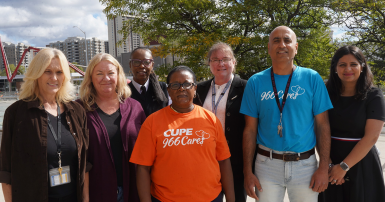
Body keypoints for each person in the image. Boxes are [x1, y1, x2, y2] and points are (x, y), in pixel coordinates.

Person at [240, 26, 333, 202]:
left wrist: (323, 167)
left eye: (287, 40)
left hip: (305, 165)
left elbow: (323, 125)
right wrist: (248, 172)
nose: (282, 44)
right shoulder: (255, 82)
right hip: (266, 165)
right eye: (276, 40)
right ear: (269, 48)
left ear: (296, 47)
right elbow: (250, 130)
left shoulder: (312, 78)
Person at [130, 66, 236, 202]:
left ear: (195, 88)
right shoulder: (152, 122)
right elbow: (142, 168)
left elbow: (224, 161)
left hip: (210, 198)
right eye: (175, 85)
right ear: (168, 90)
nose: (181, 88)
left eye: (187, 84)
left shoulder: (211, 119)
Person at [0, 48, 89, 202]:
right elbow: (6, 171)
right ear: (36, 74)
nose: (54, 78)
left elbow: (85, 165)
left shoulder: (76, 111)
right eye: (47, 71)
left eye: (59, 72)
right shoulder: (16, 113)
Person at [318, 45, 385, 202]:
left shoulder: (374, 95)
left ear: (362, 66)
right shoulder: (325, 93)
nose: (348, 69)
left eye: (353, 64)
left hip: (362, 163)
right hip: (330, 161)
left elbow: (372, 137)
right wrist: (328, 165)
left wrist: (343, 167)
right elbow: (318, 129)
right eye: (342, 64)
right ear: (335, 68)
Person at [79, 53, 146, 202]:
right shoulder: (78, 109)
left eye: (111, 73)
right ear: (90, 77)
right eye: (99, 73)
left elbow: (146, 150)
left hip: (132, 190)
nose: (106, 78)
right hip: (96, 192)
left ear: (118, 76)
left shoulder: (135, 108)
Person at [193, 42, 247, 202]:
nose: (220, 63)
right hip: (205, 157)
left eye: (225, 59)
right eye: (215, 59)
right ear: (209, 63)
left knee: (236, 197)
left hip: (234, 158)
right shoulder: (199, 89)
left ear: (233, 62)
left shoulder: (246, 87)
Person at [128, 47, 169, 117]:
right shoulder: (123, 92)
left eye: (146, 62)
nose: (141, 66)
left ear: (152, 65)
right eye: (136, 62)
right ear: (130, 65)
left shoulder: (163, 88)